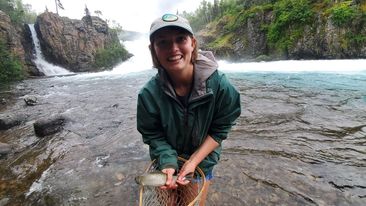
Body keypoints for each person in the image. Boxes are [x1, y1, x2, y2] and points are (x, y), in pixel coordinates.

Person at [137, 13, 241, 205]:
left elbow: (220, 130)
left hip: (202, 161)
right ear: (153, 50)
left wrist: (193, 162)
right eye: (163, 42)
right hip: (164, 162)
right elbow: (153, 134)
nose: (173, 48)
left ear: (192, 43)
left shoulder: (220, 86)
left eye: (180, 39)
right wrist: (168, 162)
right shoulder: (148, 95)